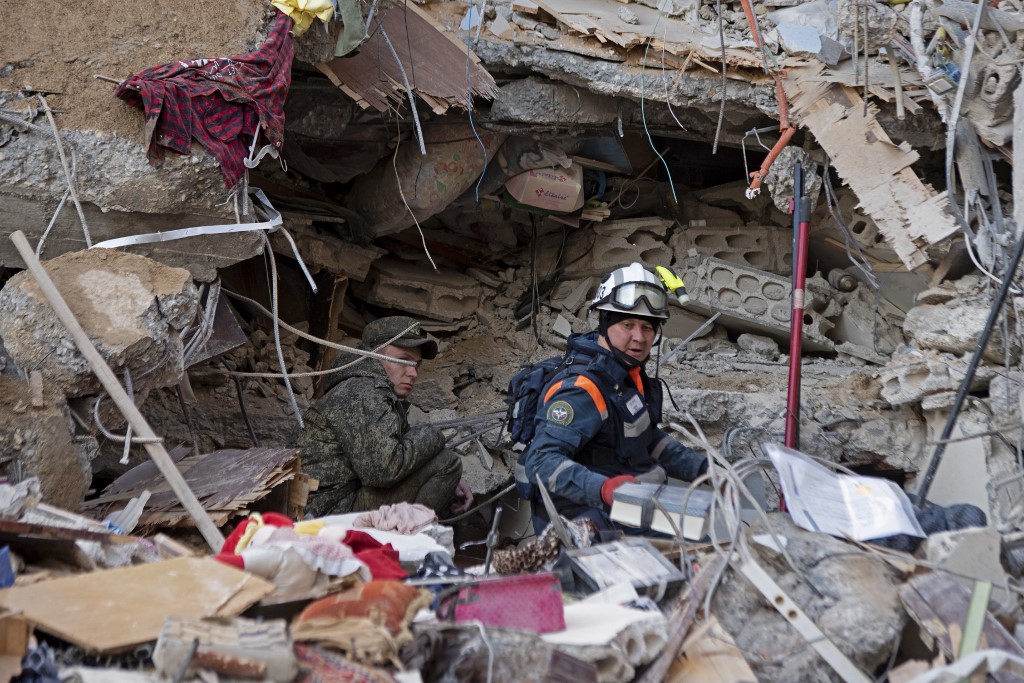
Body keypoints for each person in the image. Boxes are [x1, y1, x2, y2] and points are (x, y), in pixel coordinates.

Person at [517, 263, 708, 534]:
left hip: (625, 507)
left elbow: (647, 439)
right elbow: (541, 461)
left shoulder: (625, 375)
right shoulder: (582, 389)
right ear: (605, 323)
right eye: (627, 325)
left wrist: (705, 470)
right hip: (584, 520)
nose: (639, 338)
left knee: (702, 541)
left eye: (647, 327)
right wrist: (603, 489)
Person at [295, 316, 473, 518]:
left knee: (441, 463)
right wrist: (435, 435)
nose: (413, 373)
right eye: (403, 360)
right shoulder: (363, 390)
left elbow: (397, 449)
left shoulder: (368, 388)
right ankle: (407, 545)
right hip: (325, 514)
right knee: (447, 463)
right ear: (374, 356)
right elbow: (384, 470)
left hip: (335, 504)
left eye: (416, 364)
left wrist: (446, 478)